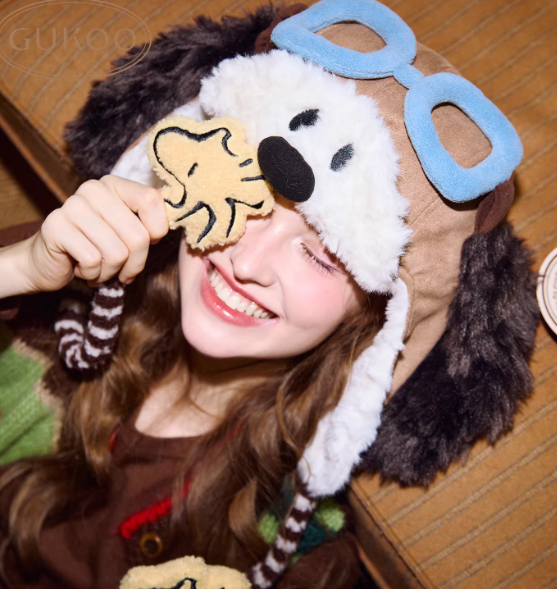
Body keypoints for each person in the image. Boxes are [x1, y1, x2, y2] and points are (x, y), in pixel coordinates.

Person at [0, 0, 536, 587]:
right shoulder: (61, 295)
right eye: (249, 199)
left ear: (372, 317)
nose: (246, 263)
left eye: (320, 256)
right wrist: (20, 268)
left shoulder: (290, 544)